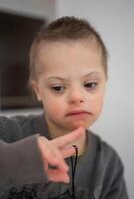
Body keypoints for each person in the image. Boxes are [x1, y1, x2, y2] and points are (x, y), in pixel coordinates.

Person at [0, 16, 129, 199]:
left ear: (104, 83)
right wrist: (14, 159)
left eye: (90, 84)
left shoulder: (109, 164)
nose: (76, 97)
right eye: (58, 88)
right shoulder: (10, 133)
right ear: (38, 91)